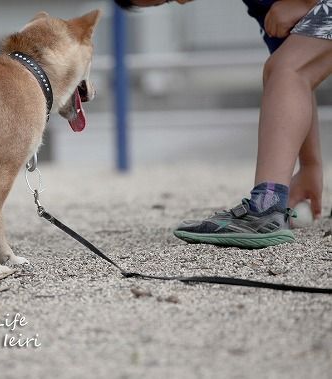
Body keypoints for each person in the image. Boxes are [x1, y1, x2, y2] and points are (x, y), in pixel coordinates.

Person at [116, 0, 330, 248]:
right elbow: (297, 82)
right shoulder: (262, 5)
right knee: (283, 68)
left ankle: (265, 208)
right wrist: (310, 165)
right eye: (167, 1)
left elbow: (291, 71)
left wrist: (304, 2)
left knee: (285, 68)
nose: (181, 1)